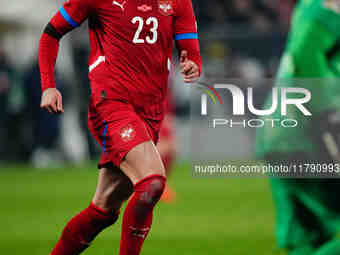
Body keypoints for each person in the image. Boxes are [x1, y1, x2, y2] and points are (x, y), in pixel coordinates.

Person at [38, 0, 201, 254]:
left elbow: (190, 51)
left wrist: (192, 64)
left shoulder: (179, 2)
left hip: (150, 112)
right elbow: (51, 34)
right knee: (153, 182)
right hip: (111, 104)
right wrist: (48, 85)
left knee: (103, 210)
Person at [256, 0, 340, 254]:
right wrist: (330, 120)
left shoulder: (311, 7)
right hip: (311, 134)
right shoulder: (326, 10)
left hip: (280, 135)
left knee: (306, 239)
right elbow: (306, 57)